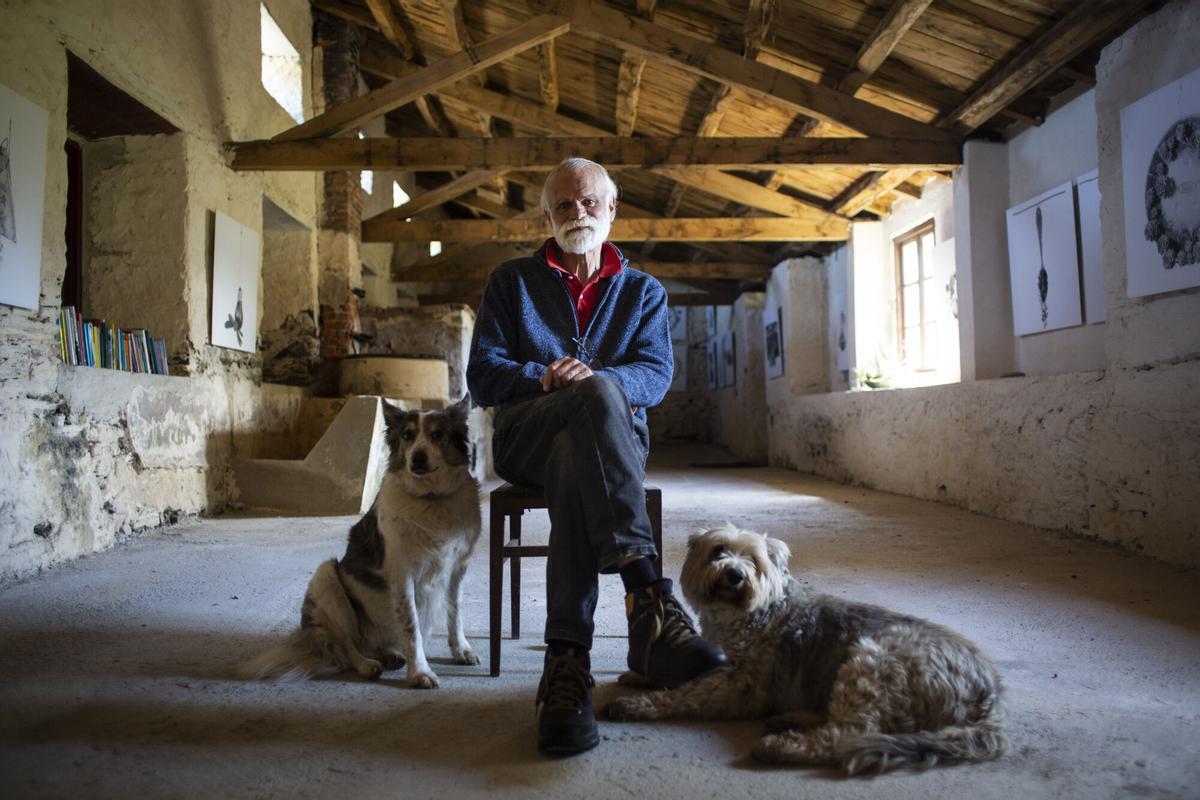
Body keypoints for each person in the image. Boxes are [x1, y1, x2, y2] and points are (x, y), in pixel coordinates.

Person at [466, 157, 728, 755]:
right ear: (547, 215)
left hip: (606, 446)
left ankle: (565, 664)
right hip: (525, 433)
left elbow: (657, 376)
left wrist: (598, 386)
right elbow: (482, 374)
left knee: (577, 454)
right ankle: (646, 596)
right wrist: (544, 376)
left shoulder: (643, 291)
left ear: (611, 211)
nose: (575, 214)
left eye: (588, 203)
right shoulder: (511, 281)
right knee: (579, 414)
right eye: (562, 205)